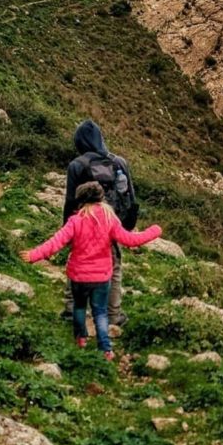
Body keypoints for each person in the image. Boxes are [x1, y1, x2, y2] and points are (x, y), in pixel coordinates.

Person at [21, 181, 162, 360]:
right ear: (101, 197)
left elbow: (56, 242)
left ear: (80, 200)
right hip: (102, 277)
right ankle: (105, 349)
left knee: (79, 308)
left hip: (78, 276)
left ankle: (81, 339)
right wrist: (154, 231)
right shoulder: (110, 219)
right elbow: (130, 240)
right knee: (100, 312)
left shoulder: (75, 220)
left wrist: (34, 255)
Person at [62, 119, 139, 327]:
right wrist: (127, 226)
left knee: (77, 261)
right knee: (113, 268)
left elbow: (71, 202)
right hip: (112, 224)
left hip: (84, 224)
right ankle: (113, 315)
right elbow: (131, 198)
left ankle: (71, 309)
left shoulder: (77, 165)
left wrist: (67, 231)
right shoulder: (119, 163)